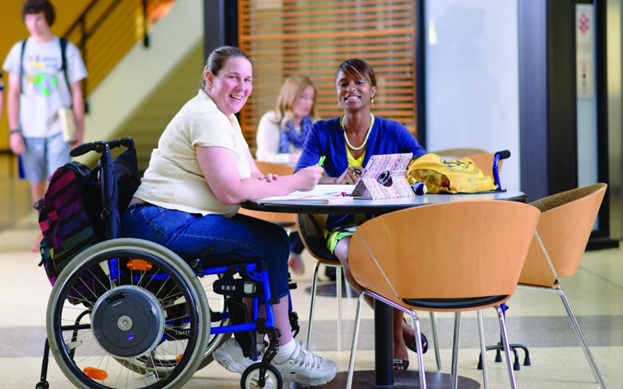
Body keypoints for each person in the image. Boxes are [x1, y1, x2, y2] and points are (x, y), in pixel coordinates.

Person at [121, 46, 337, 387]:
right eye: (233, 77)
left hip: (176, 216)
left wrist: (267, 182)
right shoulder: (206, 117)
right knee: (269, 241)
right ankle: (283, 348)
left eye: (248, 79)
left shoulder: (225, 117)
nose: (242, 86)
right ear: (210, 78)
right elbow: (231, 192)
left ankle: (243, 344)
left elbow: (250, 177)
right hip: (158, 221)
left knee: (266, 239)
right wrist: (294, 182)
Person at [296, 58, 427, 370]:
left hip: (386, 224)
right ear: (337, 92)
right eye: (344, 83)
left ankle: (394, 335)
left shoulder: (392, 131)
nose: (350, 89)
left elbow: (422, 164)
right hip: (340, 224)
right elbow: (302, 173)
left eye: (359, 83)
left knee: (384, 258)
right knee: (353, 256)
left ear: (373, 92)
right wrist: (335, 179)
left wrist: (398, 176)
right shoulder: (322, 131)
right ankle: (398, 331)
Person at [3, 0, 87, 248]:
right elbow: (13, 92)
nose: (33, 24)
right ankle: (44, 230)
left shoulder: (66, 49)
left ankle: (60, 232)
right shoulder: (19, 51)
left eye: (38, 18)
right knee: (37, 182)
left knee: (58, 182)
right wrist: (13, 130)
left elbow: (77, 92)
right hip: (29, 130)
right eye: (29, 19)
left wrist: (79, 127)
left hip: (59, 129)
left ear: (47, 18)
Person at [256, 74, 319, 275]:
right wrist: (292, 157)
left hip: (304, 188)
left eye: (311, 98)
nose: (308, 103)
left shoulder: (314, 125)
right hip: (276, 185)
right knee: (309, 209)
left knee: (321, 209)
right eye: (303, 96)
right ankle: (291, 252)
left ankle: (293, 250)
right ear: (290, 96)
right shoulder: (272, 121)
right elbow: (263, 157)